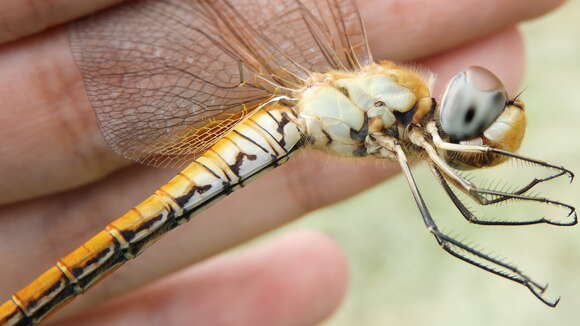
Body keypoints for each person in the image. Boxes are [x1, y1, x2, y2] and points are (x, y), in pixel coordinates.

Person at [0, 0, 565, 325]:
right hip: (279, 123)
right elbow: (463, 216)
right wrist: (534, 214)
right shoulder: (403, 125)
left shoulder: (404, 125)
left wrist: (535, 189)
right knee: (123, 242)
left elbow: (473, 193)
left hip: (285, 120)